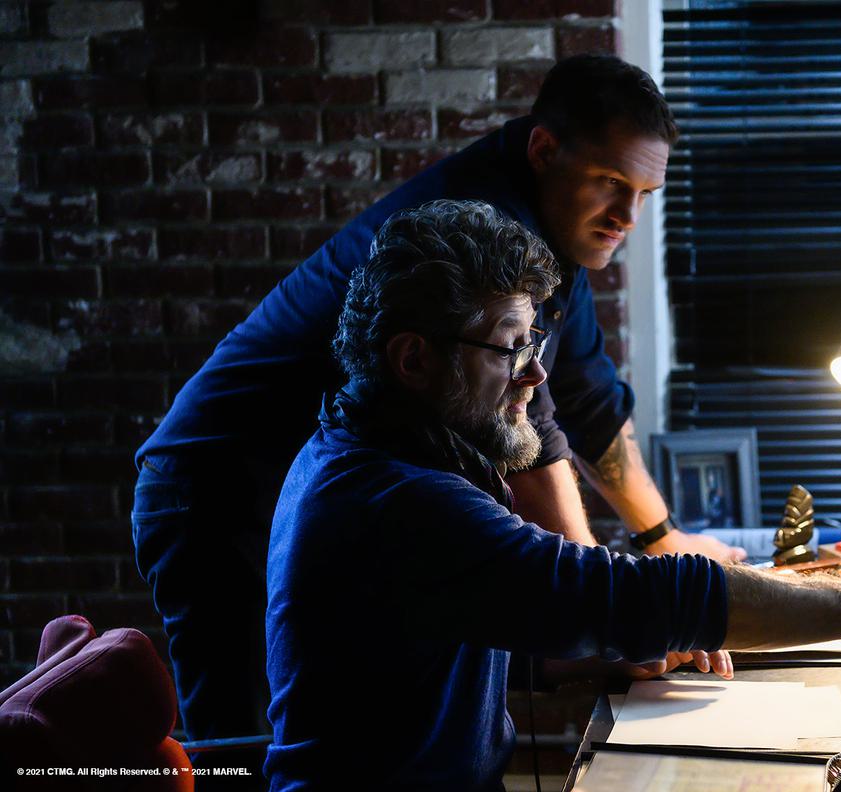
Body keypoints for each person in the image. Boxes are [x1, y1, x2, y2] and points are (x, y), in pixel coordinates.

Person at [265, 199, 841, 790]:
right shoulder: (395, 501)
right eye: (509, 346)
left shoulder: (366, 452)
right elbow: (614, 593)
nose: (536, 374)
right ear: (412, 360)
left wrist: (591, 655)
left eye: (534, 342)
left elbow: (457, 637)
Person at [130, 54, 744, 768]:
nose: (628, 216)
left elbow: (588, 398)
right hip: (215, 492)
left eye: (644, 193)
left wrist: (661, 538)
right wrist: (607, 609)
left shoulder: (557, 231)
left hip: (320, 492)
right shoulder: (481, 233)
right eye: (611, 182)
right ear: (544, 150)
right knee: (248, 755)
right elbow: (537, 427)